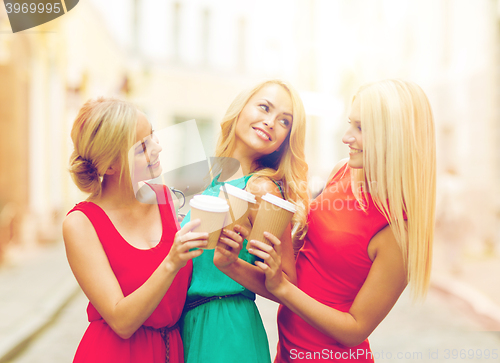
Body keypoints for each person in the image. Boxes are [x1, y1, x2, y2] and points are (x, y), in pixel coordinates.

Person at [248, 79, 436, 362]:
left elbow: (355, 329)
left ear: (393, 137)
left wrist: (282, 288)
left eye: (360, 128)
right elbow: (308, 255)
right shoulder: (344, 170)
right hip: (287, 351)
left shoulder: (398, 230)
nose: (347, 137)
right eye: (351, 123)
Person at [63, 97, 208, 363]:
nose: (157, 148)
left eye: (152, 136)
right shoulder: (81, 223)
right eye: (142, 147)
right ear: (108, 166)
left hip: (172, 351)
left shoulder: (167, 199)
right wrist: (171, 262)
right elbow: (121, 320)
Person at [180, 79, 309, 363]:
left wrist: (233, 265)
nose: (270, 122)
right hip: (189, 328)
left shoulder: (261, 188)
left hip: (226, 330)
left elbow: (286, 285)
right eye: (264, 108)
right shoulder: (213, 179)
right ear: (241, 109)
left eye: (284, 121)